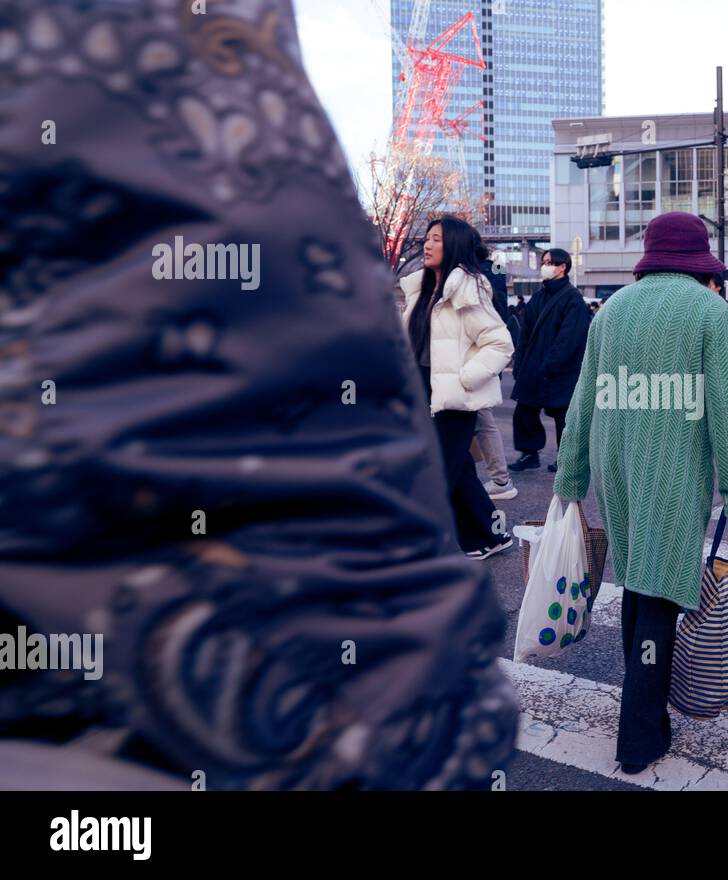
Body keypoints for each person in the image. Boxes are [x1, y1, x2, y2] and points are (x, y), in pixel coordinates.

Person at [0, 0, 516, 790]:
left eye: (439, 235)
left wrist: (453, 384)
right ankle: (468, 543)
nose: (432, 240)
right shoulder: (397, 268)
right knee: (433, 496)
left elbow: (488, 347)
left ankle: (468, 541)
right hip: (343, 676)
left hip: (423, 418)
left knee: (441, 490)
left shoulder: (461, 287)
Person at [553, 212, 728, 774]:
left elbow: (582, 403)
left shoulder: (611, 311)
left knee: (639, 580)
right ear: (699, 263)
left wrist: (570, 476)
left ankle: (647, 719)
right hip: (672, 464)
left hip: (613, 462)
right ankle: (638, 735)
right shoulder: (711, 314)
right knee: (660, 586)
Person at [402, 217, 515, 560]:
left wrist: (466, 379)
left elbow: (499, 343)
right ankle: (489, 537)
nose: (427, 244)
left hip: (452, 398)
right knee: (459, 469)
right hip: (422, 391)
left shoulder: (469, 288)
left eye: (436, 239)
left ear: (453, 245)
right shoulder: (421, 289)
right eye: (427, 238)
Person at [509, 248, 591, 474]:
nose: (544, 266)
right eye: (543, 261)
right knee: (524, 410)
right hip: (533, 365)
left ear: (562, 266)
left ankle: (565, 458)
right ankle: (529, 453)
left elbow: (569, 338)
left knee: (562, 416)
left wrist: (551, 364)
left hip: (559, 369)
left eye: (548, 262)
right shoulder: (539, 296)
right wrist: (520, 363)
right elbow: (525, 333)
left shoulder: (573, 299)